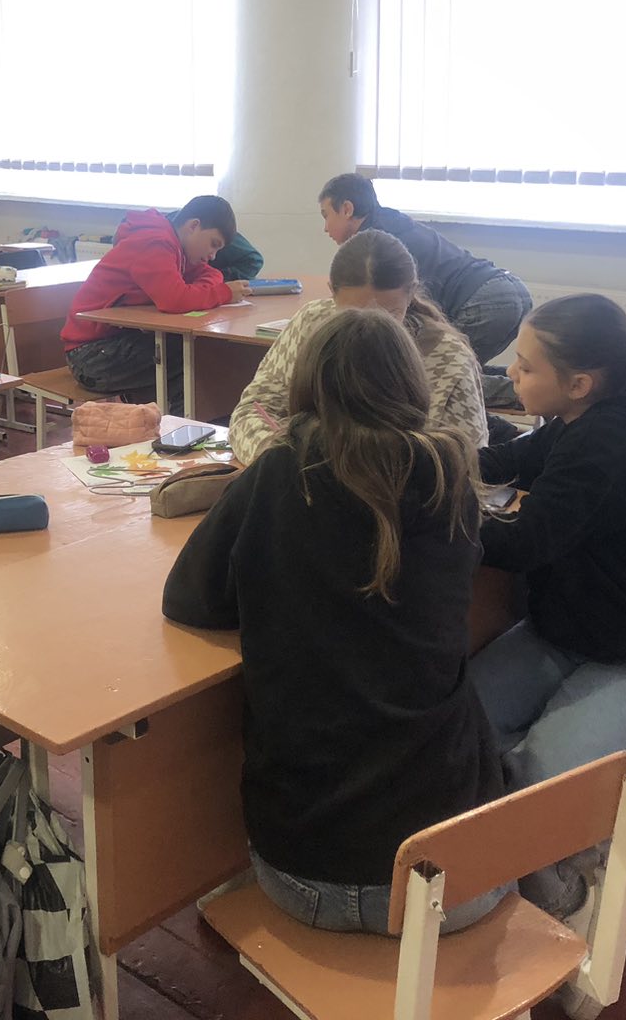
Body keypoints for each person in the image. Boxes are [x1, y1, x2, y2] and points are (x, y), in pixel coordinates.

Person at [165, 308, 506, 935]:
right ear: (413, 385)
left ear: (308, 386)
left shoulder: (279, 474)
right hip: (460, 877)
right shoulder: (451, 478)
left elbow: (189, 599)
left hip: (309, 876)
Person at [468, 293, 626, 922]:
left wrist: (432, 512)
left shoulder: (607, 441)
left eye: (526, 367)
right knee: (457, 724)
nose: (511, 374)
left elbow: (525, 544)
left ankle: (569, 894)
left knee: (541, 776)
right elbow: (505, 460)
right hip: (569, 632)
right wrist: (424, 460)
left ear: (578, 383)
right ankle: (518, 856)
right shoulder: (575, 423)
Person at [229, 230, 486, 463]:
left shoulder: (450, 357)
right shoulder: (312, 323)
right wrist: (278, 459)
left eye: (389, 314)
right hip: (307, 481)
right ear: (332, 292)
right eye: (351, 313)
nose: (369, 328)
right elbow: (251, 411)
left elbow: (468, 460)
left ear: (411, 293)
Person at [318, 173, 531, 378]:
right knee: (457, 368)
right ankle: (521, 384)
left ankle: (526, 390)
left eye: (326, 215)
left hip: (485, 301)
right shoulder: (393, 221)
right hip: (507, 291)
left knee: (427, 375)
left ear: (347, 209)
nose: (325, 228)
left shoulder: (375, 248)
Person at [60, 194, 249, 413]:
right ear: (193, 226)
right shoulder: (154, 242)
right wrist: (224, 293)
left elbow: (211, 274)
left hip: (116, 343)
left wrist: (203, 290)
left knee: (196, 350)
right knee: (193, 356)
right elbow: (175, 299)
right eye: (213, 244)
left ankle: (182, 422)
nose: (213, 255)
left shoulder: (177, 248)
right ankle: (182, 426)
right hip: (91, 356)